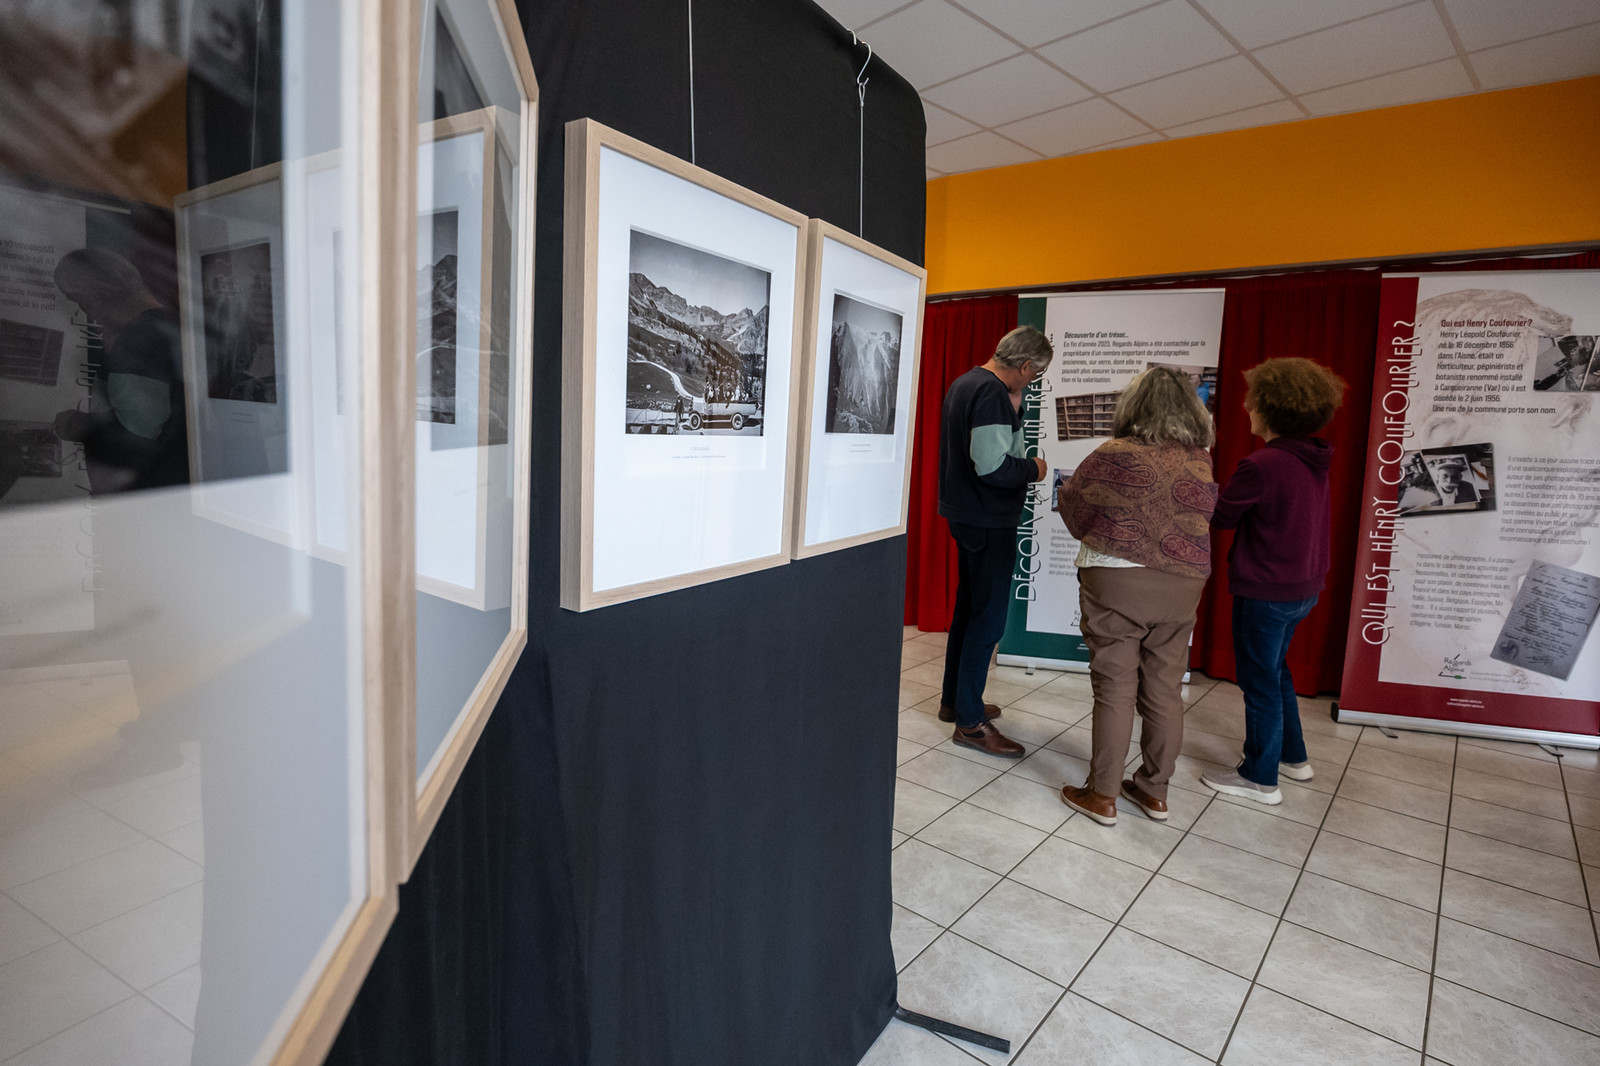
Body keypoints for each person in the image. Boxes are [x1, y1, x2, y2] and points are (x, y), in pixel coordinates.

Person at [1056, 367, 1217, 825]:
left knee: (1115, 685)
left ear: (1132, 404)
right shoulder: (1200, 458)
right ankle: (1154, 792)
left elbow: (1072, 503)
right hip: (1184, 583)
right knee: (1165, 688)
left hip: (1116, 578)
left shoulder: (1115, 452)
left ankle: (1102, 794)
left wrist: (1104, 534)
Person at [1201, 357, 1346, 805]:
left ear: (1272, 408)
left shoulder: (1261, 465)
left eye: (1252, 400)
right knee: (1277, 672)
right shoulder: (1313, 458)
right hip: (1301, 591)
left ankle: (1260, 778)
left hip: (1265, 592)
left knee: (1259, 682)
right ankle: (1293, 758)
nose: (1245, 407)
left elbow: (1220, 516)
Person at [937, 325, 1054, 758]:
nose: (1032, 381)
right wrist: (1036, 470)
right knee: (988, 621)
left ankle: (957, 702)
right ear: (1025, 366)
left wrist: (1017, 409)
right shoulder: (989, 393)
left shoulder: (967, 382)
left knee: (970, 611)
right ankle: (969, 723)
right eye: (1035, 375)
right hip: (987, 520)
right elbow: (992, 467)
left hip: (968, 516)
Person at [51, 247, 190, 493]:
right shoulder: (173, 322)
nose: (87, 312)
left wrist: (78, 425)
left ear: (92, 297)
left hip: (147, 496)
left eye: (80, 302)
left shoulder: (140, 339)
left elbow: (137, 435)